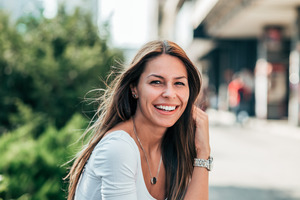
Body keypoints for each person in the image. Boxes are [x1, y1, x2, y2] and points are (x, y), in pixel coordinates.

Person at [65, 40, 212, 200]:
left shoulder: (173, 145)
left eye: (179, 83)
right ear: (134, 88)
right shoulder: (119, 148)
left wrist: (203, 152)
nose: (170, 93)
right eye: (156, 82)